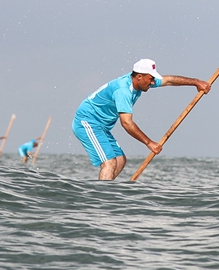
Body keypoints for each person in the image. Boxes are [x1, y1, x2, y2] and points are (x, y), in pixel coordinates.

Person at [72, 59, 211, 180]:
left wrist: (196, 82)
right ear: (139, 76)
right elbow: (126, 123)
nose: (152, 82)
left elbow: (168, 80)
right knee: (109, 162)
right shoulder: (123, 91)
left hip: (102, 127)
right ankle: (101, 201)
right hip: (87, 122)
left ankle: (107, 193)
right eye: (150, 79)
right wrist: (149, 143)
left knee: (120, 160)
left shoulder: (139, 81)